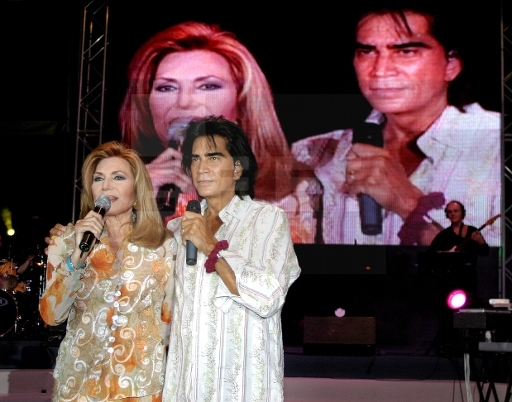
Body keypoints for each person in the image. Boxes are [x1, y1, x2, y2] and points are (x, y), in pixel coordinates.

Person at [291, 3, 501, 246]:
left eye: (406, 52)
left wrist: (409, 204)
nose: (380, 71)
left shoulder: (497, 146)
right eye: (367, 52)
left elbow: (497, 274)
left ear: (451, 65)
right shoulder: (314, 153)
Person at [119, 21, 317, 243]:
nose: (184, 102)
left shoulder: (295, 193)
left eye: (208, 86)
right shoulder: (120, 187)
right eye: (167, 87)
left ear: (241, 105)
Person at [161, 116, 301, 402]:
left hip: (241, 387)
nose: (202, 168)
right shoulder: (176, 230)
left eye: (213, 157)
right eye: (195, 159)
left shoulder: (267, 219)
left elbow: (269, 296)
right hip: (185, 389)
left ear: (237, 167)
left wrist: (211, 246)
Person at [39, 141, 177, 402]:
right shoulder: (66, 240)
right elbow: (51, 315)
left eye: (118, 177)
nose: (106, 185)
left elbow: (168, 321)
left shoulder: (163, 246)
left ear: (137, 192)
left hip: (140, 385)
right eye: (98, 178)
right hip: (79, 384)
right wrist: (78, 254)